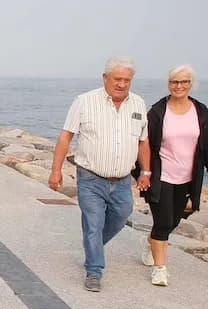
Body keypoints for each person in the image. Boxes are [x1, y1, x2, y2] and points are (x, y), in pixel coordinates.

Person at [49, 57, 151, 292]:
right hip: (91, 178)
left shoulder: (138, 104)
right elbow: (66, 136)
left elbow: (143, 141)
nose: (122, 84)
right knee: (93, 224)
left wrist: (145, 171)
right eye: (117, 79)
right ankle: (94, 270)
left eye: (127, 80)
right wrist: (56, 171)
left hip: (123, 180)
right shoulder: (84, 102)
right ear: (105, 78)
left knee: (121, 217)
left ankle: (92, 246)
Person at [140, 65, 208, 287]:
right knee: (163, 220)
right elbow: (144, 143)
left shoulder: (200, 112)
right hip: (162, 176)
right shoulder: (158, 112)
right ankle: (160, 269)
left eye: (184, 82)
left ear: (191, 84)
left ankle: (151, 243)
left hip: (188, 178)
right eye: (175, 82)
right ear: (169, 84)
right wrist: (143, 172)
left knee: (174, 221)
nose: (179, 86)